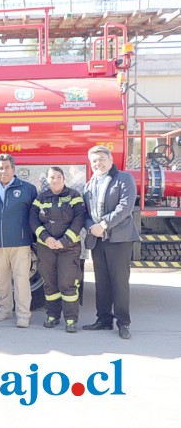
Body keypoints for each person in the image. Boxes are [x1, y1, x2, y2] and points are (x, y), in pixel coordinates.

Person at [82, 145, 139, 339]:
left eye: (101, 159)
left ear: (111, 160)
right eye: (94, 161)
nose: (98, 163)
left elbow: (126, 206)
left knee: (119, 282)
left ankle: (123, 322)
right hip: (98, 239)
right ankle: (104, 319)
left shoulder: (124, 178)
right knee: (102, 281)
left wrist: (104, 225)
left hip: (119, 239)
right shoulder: (90, 184)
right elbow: (86, 212)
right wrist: (91, 227)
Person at [0, 154, 37, 328]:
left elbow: (34, 214)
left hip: (20, 243)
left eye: (6, 167)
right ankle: (5, 310)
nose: (3, 171)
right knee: (2, 280)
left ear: (13, 169)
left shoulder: (28, 189)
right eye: (0, 168)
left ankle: (23, 315)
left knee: (21, 280)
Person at [30, 167, 86, 332]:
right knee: (50, 283)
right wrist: (46, 238)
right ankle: (52, 315)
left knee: (67, 283)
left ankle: (71, 319)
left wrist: (64, 240)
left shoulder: (74, 196)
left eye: (58, 176)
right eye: (52, 177)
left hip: (68, 248)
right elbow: (32, 219)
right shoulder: (41, 197)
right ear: (47, 180)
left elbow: (79, 219)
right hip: (46, 247)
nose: (55, 180)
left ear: (64, 178)